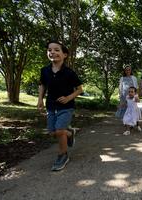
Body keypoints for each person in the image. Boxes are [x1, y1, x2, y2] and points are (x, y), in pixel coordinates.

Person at [37, 40, 83, 171]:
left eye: (57, 50)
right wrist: (40, 99)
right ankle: (70, 133)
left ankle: (63, 155)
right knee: (53, 131)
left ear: (65, 55)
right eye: (50, 50)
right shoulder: (44, 70)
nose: (52, 52)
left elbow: (79, 89)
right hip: (51, 105)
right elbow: (42, 85)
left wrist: (68, 97)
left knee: (58, 130)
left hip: (66, 107)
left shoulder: (69, 73)